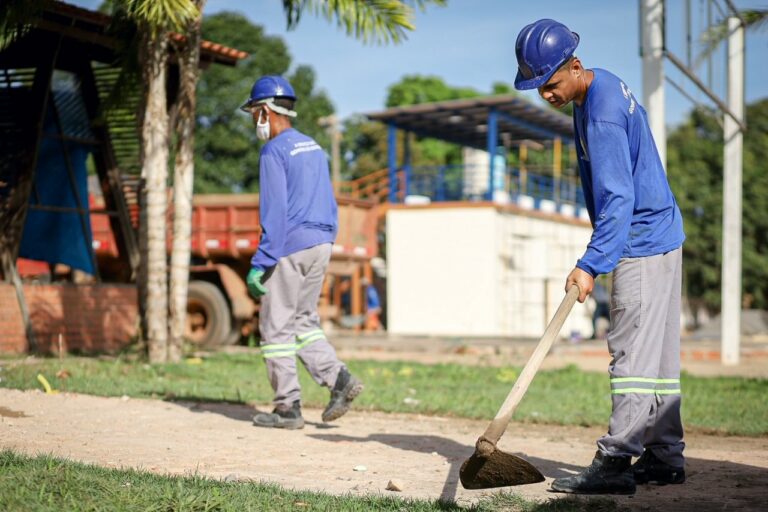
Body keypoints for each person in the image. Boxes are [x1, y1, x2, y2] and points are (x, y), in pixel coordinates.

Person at [514, 19, 686, 495]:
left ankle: (615, 460)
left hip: (641, 239)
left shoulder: (603, 114)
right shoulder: (600, 87)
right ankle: (665, 455)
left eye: (549, 84)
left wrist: (591, 263)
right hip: (661, 234)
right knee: (658, 358)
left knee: (630, 354)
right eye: (537, 87)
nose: (545, 95)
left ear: (574, 66)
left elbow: (617, 199)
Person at [241, 75, 363, 430]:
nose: (253, 120)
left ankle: (287, 409)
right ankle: (339, 379)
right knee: (304, 322)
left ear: (265, 111)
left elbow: (274, 213)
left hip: (290, 246)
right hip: (322, 243)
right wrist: (325, 240)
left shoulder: (274, 151)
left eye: (253, 113)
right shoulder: (313, 146)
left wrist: (260, 263)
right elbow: (328, 200)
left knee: (276, 328)